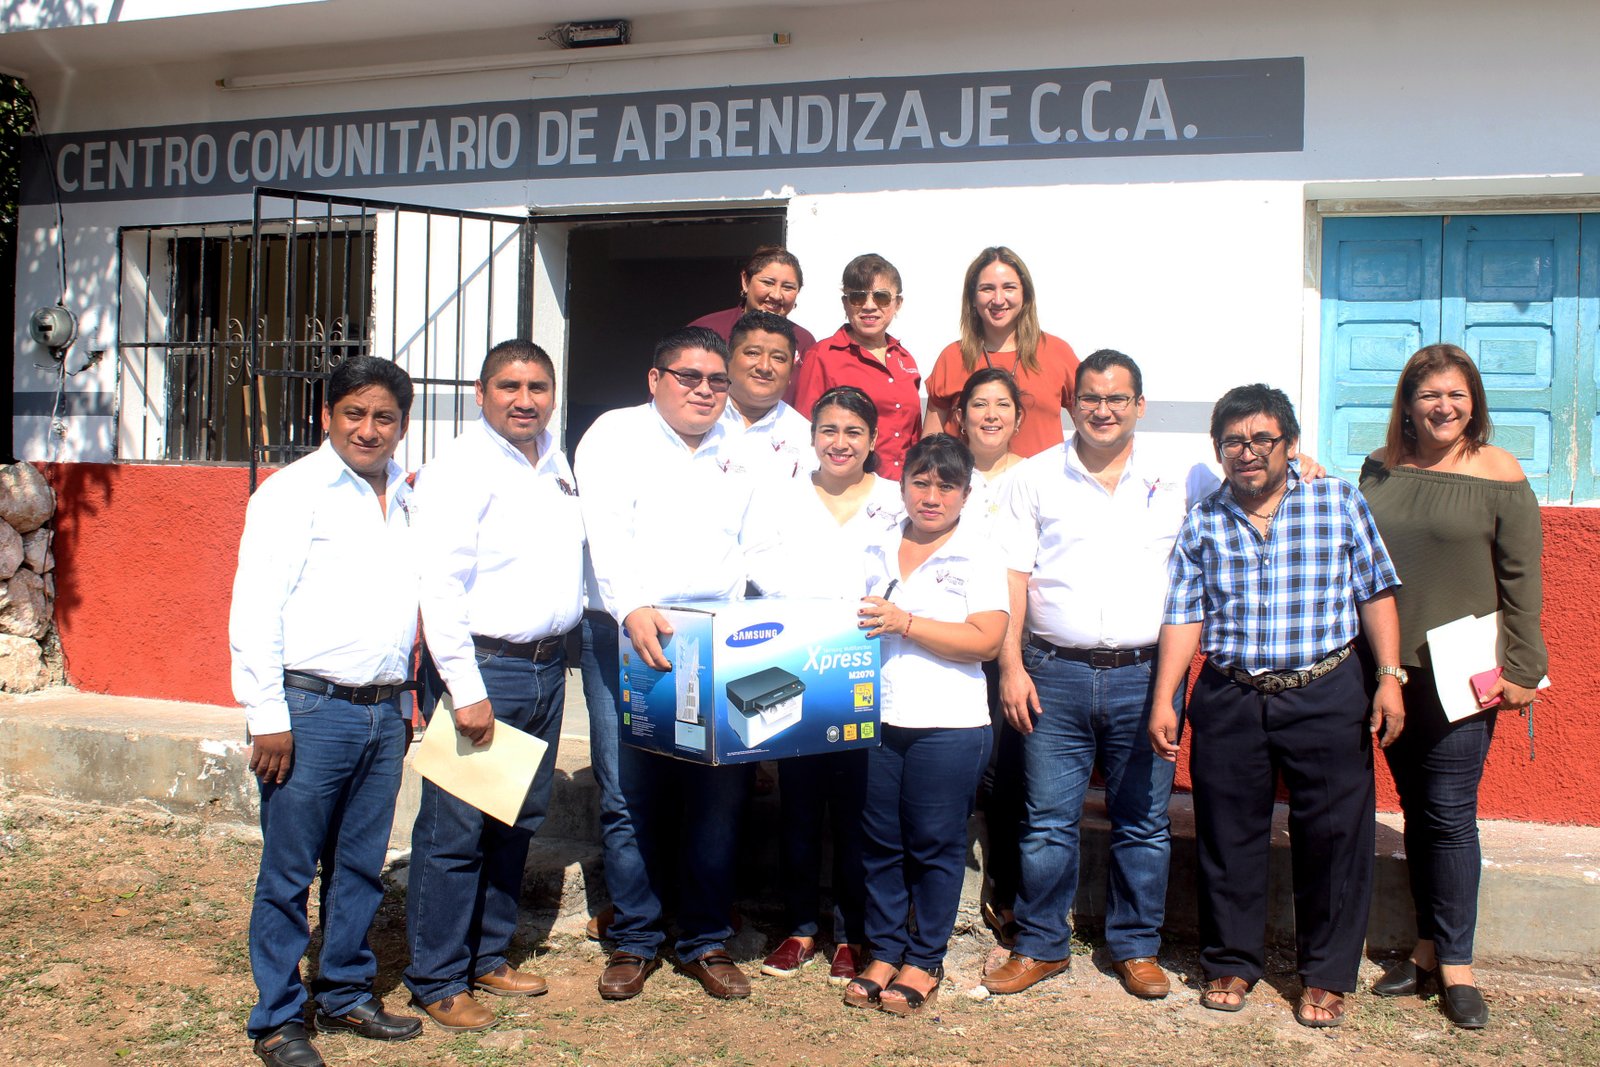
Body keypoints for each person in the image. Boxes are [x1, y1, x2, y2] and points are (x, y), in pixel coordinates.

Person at [1148, 383, 1407, 1029]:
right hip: (1231, 695)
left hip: (1326, 691)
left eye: (1262, 438)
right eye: (1233, 440)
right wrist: (1166, 698)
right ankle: (1231, 960)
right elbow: (1184, 613)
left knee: (1335, 836)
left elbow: (1375, 591)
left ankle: (1326, 973)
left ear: (1289, 443)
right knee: (1228, 835)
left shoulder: (1336, 500)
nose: (1248, 451)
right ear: (1218, 449)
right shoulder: (1204, 519)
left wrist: (1389, 676)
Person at [983, 350, 1218, 999]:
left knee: (1143, 819)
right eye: (1090, 398)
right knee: (1047, 820)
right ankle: (1040, 943)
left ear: (1139, 405)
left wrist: (1306, 463)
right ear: (1071, 404)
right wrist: (1011, 667)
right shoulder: (1034, 477)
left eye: (1117, 399)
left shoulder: (1181, 477)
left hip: (1147, 677)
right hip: (1052, 672)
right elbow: (1013, 577)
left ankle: (1137, 946)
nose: (1103, 410)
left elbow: (1256, 478)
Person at [231, 356, 423, 1067]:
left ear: (402, 425)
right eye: (354, 414)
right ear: (326, 417)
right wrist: (267, 713)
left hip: (384, 710)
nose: (368, 429)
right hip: (310, 710)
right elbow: (256, 607)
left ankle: (344, 990)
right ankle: (278, 1018)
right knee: (289, 873)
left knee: (361, 865)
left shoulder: (406, 495)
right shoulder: (292, 494)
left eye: (384, 417)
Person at [1360, 344, 1547, 1030]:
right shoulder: (1379, 467)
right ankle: (1426, 950)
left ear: (1475, 403)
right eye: (1430, 394)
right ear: (1408, 403)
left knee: (1449, 810)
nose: (1443, 407)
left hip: (1462, 672)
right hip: (1387, 667)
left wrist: (1524, 666)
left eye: (1456, 395)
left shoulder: (1500, 472)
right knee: (1418, 807)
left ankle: (1458, 965)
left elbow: (1522, 578)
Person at [402, 340, 584, 1032]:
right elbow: (440, 587)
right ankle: (437, 976)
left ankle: (486, 954)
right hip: (485, 669)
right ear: (481, 393)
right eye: (509, 385)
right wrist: (465, 688)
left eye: (538, 387)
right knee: (455, 831)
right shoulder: (460, 469)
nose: (525, 399)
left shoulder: (556, 462)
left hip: (545, 669)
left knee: (515, 821)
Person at [575, 325, 756, 1002]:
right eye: (689, 377)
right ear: (656, 379)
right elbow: (605, 533)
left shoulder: (742, 447)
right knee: (629, 791)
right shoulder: (614, 435)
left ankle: (706, 938)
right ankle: (635, 938)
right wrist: (631, 608)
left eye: (717, 380)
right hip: (627, 633)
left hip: (718, 640)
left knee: (717, 793)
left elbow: (760, 544)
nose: (705, 391)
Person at [843, 434, 1009, 1016]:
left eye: (946, 485)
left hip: (949, 724)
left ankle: (924, 958)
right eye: (920, 481)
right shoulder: (874, 543)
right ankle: (885, 950)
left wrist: (906, 623)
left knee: (935, 844)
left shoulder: (979, 552)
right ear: (903, 483)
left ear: (966, 493)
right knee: (879, 841)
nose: (931, 496)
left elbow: (986, 641)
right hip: (877, 716)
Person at [743, 386, 904, 986]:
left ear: (873, 439)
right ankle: (802, 925)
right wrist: (807, 611)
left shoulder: (894, 500)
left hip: (869, 667)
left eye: (854, 431)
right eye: (829, 430)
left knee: (862, 807)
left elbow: (905, 568)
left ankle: (852, 931)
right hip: (799, 664)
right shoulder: (782, 496)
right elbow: (758, 562)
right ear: (812, 437)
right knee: (801, 802)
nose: (841, 443)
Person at [949, 366, 1028, 947]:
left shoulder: (1036, 477)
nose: (991, 414)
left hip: (1012, 646)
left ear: (1019, 417)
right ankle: (936, 890)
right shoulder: (941, 473)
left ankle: (1003, 891)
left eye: (1003, 404)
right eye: (980, 403)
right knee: (948, 769)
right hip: (944, 643)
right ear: (961, 416)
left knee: (1007, 775)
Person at [923, 247, 1080, 458]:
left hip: (1042, 479)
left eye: (1009, 287)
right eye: (987, 289)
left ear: (1025, 294)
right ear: (972, 297)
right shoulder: (952, 357)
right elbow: (930, 446)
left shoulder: (1057, 352)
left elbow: (1091, 427)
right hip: (968, 478)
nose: (998, 299)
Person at [791, 253, 922, 479]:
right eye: (858, 297)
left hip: (903, 487)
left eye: (881, 297)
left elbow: (914, 436)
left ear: (897, 303)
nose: (869, 306)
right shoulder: (822, 356)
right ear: (845, 303)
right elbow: (804, 435)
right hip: (850, 488)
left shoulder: (905, 359)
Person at [689, 245, 818, 390]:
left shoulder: (804, 341)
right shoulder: (707, 330)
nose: (776, 295)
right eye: (768, 282)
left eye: (788, 287)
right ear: (745, 281)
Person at [718, 310, 816, 481]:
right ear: (728, 359)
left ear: (791, 371)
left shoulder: (807, 439)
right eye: (753, 353)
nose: (764, 367)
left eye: (778, 358)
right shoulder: (695, 415)